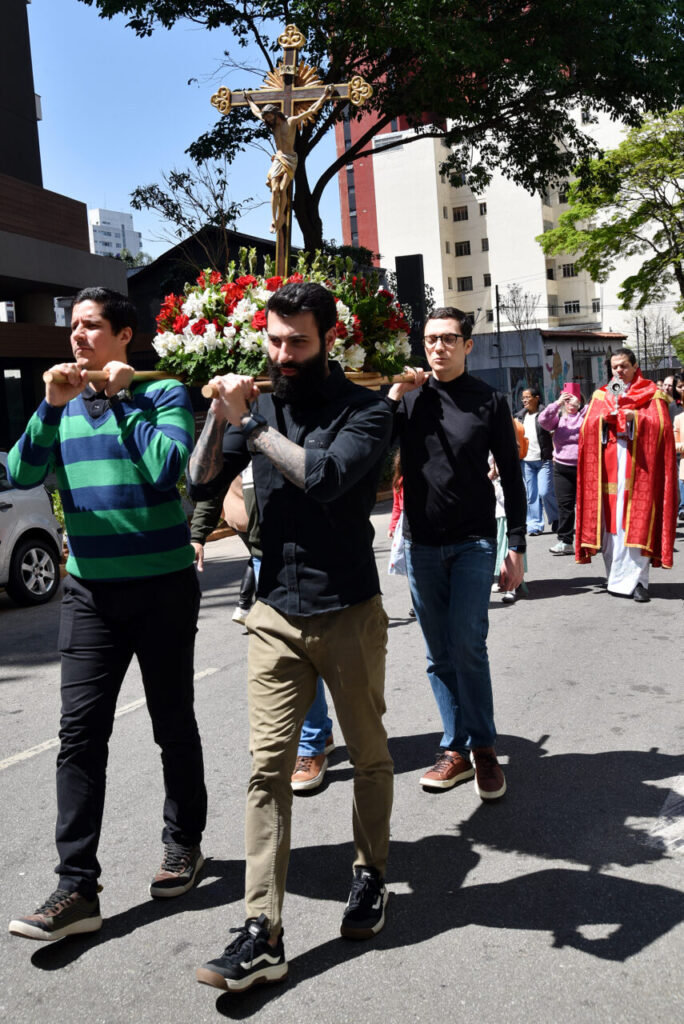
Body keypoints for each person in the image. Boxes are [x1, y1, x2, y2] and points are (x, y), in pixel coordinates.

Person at [188, 281, 394, 993]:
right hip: (273, 610)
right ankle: (262, 931)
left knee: (369, 755)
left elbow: (325, 476)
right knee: (265, 768)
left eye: (297, 342)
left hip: (347, 609)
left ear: (328, 338)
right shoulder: (259, 400)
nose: (282, 354)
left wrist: (256, 425)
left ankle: (370, 876)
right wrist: (222, 418)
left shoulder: (367, 410)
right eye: (273, 341)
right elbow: (200, 480)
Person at [7, 287, 207, 943]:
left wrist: (121, 399)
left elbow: (169, 469)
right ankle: (76, 888)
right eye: (73, 327)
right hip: (90, 595)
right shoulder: (59, 406)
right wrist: (47, 406)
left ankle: (184, 844)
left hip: (163, 586)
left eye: (91, 326)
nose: (77, 337)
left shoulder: (165, 393)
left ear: (125, 335)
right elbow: (19, 467)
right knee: (79, 735)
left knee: (171, 720)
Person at [388, 307, 526, 800]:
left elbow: (511, 475)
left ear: (468, 345)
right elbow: (375, 451)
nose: (438, 347)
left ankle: (483, 750)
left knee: (468, 643)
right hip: (422, 544)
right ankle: (454, 748)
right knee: (437, 653)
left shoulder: (489, 400)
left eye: (448, 338)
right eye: (430, 339)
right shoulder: (408, 400)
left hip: (474, 542)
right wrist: (392, 396)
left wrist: (517, 548)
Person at [576, 347, 678, 602]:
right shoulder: (611, 391)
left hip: (640, 467)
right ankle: (615, 577)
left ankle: (639, 582)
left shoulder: (650, 393)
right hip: (610, 465)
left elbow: (662, 428)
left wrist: (636, 419)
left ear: (634, 367)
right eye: (614, 367)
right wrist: (602, 421)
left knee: (637, 524)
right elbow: (589, 424)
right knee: (611, 525)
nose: (619, 371)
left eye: (623, 366)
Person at [246, 87, 333, 233]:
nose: (267, 120)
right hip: (278, 158)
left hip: (290, 159)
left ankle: (282, 216)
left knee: (282, 188)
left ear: (275, 113)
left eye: (269, 117)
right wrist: (248, 99)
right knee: (274, 190)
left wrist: (324, 96)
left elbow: (310, 111)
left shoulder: (291, 121)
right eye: (266, 118)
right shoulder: (273, 127)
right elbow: (256, 112)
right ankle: (274, 219)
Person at [537, 383, 588, 555]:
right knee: (565, 506)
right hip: (561, 468)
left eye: (573, 401)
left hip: (584, 467)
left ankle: (589, 540)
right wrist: (557, 403)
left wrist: (580, 406)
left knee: (586, 505)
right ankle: (565, 540)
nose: (570, 404)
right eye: (567, 401)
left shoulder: (585, 414)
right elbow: (542, 420)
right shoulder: (558, 419)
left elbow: (599, 407)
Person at [516, 385, 559, 536]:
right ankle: (534, 524)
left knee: (545, 492)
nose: (524, 400)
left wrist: (555, 454)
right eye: (523, 398)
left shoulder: (545, 415)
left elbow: (555, 435)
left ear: (537, 398)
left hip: (544, 460)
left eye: (527, 397)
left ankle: (556, 518)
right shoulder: (519, 417)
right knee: (531, 494)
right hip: (526, 461)